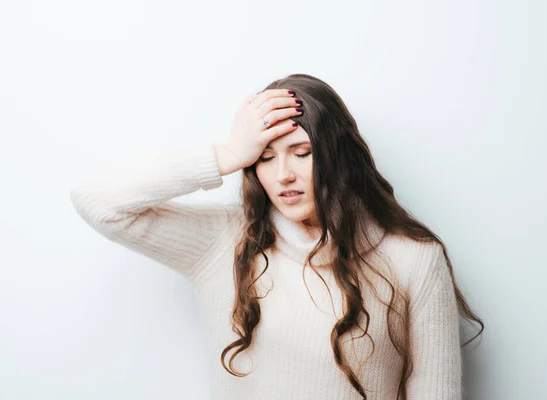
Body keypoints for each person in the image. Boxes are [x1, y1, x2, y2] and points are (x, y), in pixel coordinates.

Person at [70, 73, 484, 400]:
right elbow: (99, 202)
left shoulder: (412, 257)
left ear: (337, 156)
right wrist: (228, 154)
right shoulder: (225, 242)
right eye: (265, 157)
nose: (283, 173)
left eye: (302, 153)